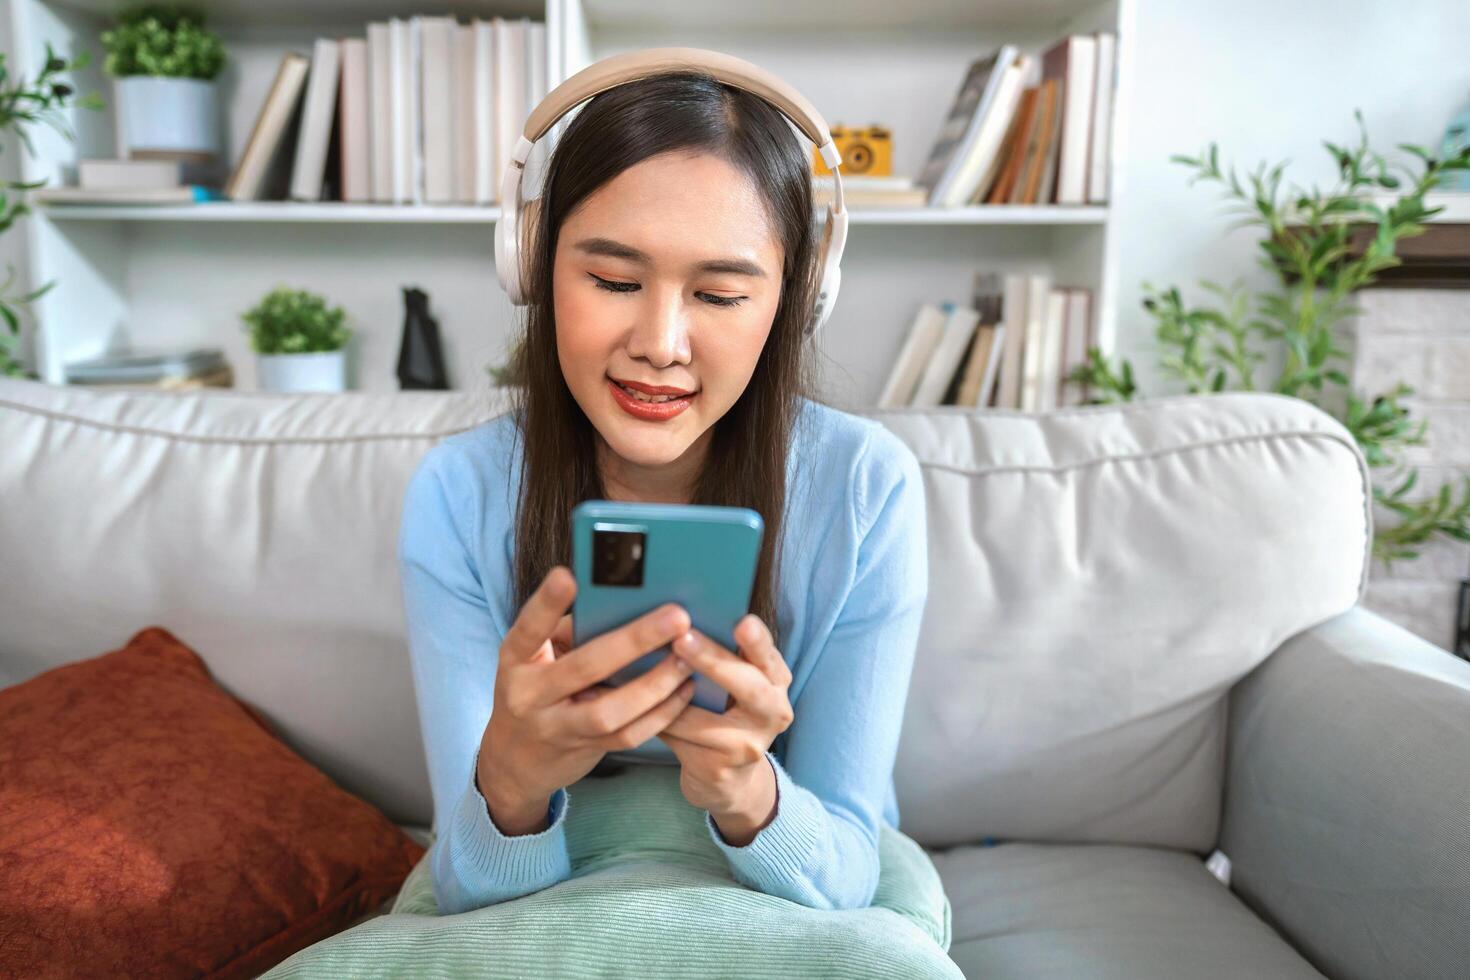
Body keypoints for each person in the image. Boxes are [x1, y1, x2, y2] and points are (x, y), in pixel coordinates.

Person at [397, 59, 928, 917]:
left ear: (795, 300)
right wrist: (510, 786)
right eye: (612, 281)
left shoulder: (866, 491)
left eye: (719, 293)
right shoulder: (459, 494)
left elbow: (848, 872)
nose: (661, 343)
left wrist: (750, 793)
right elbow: (464, 887)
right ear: (530, 266)